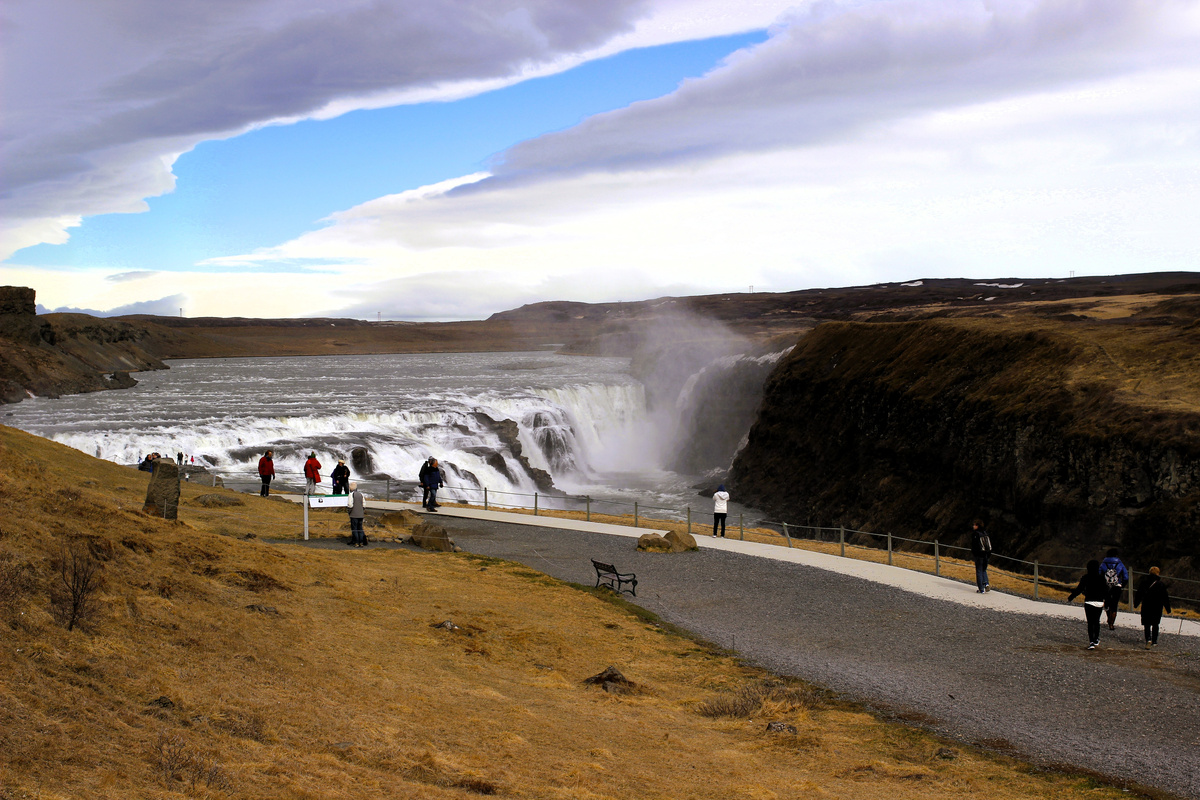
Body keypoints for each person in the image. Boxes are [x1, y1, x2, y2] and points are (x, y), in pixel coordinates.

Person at [1067, 559, 1109, 650]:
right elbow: (1106, 591)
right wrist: (1107, 603)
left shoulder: (1085, 577)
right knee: (1096, 621)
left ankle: (1091, 642)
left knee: (1090, 622)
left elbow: (1079, 589)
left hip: (1089, 601)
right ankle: (1096, 639)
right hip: (1099, 602)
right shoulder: (1101, 578)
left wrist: (1071, 597)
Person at [1134, 566, 1172, 649]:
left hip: (1146, 605)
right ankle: (1154, 641)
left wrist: (1136, 604)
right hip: (1157, 606)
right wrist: (1168, 608)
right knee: (1155, 624)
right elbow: (1165, 597)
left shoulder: (1144, 582)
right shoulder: (1160, 584)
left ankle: (1148, 639)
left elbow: (1139, 594)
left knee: (1146, 623)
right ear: (1158, 573)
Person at [1099, 548, 1129, 630]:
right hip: (1117, 586)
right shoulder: (1120, 563)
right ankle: (1111, 623)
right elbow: (1126, 577)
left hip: (1106, 586)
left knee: (1107, 602)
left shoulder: (1103, 564)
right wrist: (1121, 584)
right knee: (1115, 604)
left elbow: (1099, 574)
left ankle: (1108, 618)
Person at [970, 519, 992, 593]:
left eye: (974, 525)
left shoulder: (976, 534)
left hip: (979, 555)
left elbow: (974, 545)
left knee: (979, 570)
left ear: (977, 526)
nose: (973, 526)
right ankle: (986, 583)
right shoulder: (985, 533)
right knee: (984, 570)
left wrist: (974, 553)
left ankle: (981, 589)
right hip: (986, 554)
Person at [348, 482, 366, 547]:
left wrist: (349, 511)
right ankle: (361, 542)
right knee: (360, 528)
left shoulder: (351, 495)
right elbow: (364, 504)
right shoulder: (361, 494)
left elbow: (350, 505)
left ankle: (356, 542)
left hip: (353, 514)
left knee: (354, 529)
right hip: (361, 514)